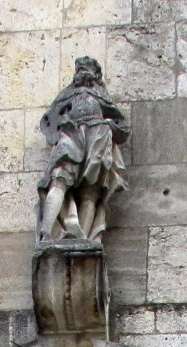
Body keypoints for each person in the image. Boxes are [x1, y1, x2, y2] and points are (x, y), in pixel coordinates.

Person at [37, 58, 129, 244]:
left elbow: (124, 127)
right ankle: (46, 233)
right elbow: (48, 121)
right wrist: (62, 124)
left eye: (87, 70)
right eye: (80, 69)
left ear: (96, 75)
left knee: (91, 190)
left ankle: (83, 239)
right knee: (58, 180)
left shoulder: (101, 95)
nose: (83, 73)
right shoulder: (66, 94)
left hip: (98, 137)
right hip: (71, 135)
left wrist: (110, 125)